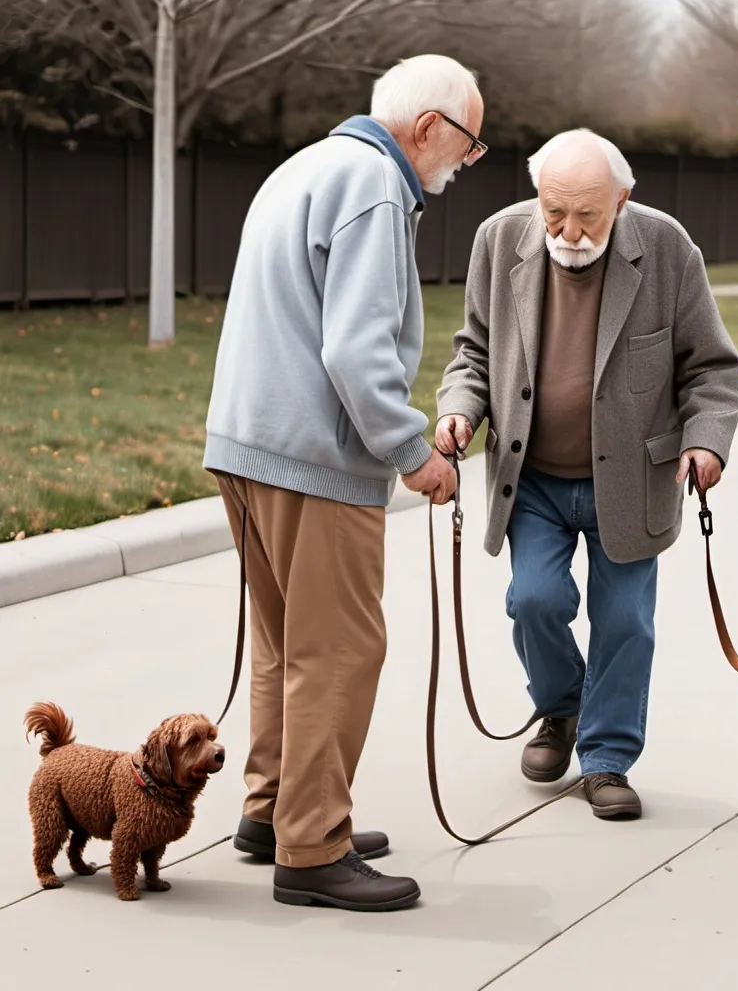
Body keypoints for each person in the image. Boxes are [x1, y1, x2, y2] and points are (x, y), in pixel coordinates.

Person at [204, 54, 485, 911]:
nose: (466, 164)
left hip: (245, 445)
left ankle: (272, 811)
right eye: (468, 144)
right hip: (315, 462)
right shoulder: (373, 184)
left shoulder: (307, 164)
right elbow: (356, 352)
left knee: (284, 643)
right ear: (429, 127)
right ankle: (314, 847)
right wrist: (414, 453)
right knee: (340, 650)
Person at [435, 129, 738, 820]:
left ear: (622, 200)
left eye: (588, 216)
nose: (568, 233)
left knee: (625, 621)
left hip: (633, 478)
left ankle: (606, 759)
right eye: (554, 213)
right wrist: (460, 410)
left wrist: (707, 443)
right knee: (533, 602)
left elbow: (711, 369)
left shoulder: (666, 249)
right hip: (535, 478)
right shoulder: (499, 238)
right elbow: (473, 351)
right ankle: (561, 707)